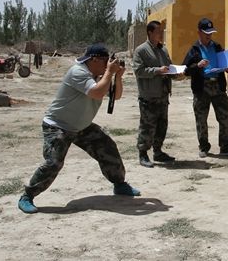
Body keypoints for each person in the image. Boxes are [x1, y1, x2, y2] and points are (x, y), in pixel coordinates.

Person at [18, 43, 140, 214]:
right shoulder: (78, 72)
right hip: (58, 125)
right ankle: (27, 196)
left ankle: (119, 184)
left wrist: (117, 76)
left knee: (107, 148)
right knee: (54, 162)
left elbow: (116, 96)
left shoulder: (98, 75)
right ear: (94, 59)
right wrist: (109, 73)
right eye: (105, 61)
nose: (107, 65)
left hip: (81, 126)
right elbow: (96, 93)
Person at [183, 18, 228, 158]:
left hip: (218, 86)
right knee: (201, 119)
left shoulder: (217, 47)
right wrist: (198, 65)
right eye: (206, 32)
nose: (209, 35)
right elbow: (185, 70)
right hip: (202, 88)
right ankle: (203, 146)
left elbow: (226, 65)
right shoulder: (194, 50)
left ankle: (225, 146)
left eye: (211, 32)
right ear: (199, 32)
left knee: (224, 116)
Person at [133, 20, 181, 167]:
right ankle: (143, 154)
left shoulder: (163, 50)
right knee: (147, 127)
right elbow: (138, 71)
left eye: (161, 31)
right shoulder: (141, 50)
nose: (161, 34)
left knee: (162, 126)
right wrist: (156, 71)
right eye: (158, 31)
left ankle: (158, 152)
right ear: (150, 33)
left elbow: (168, 67)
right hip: (149, 96)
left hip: (163, 95)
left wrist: (177, 73)